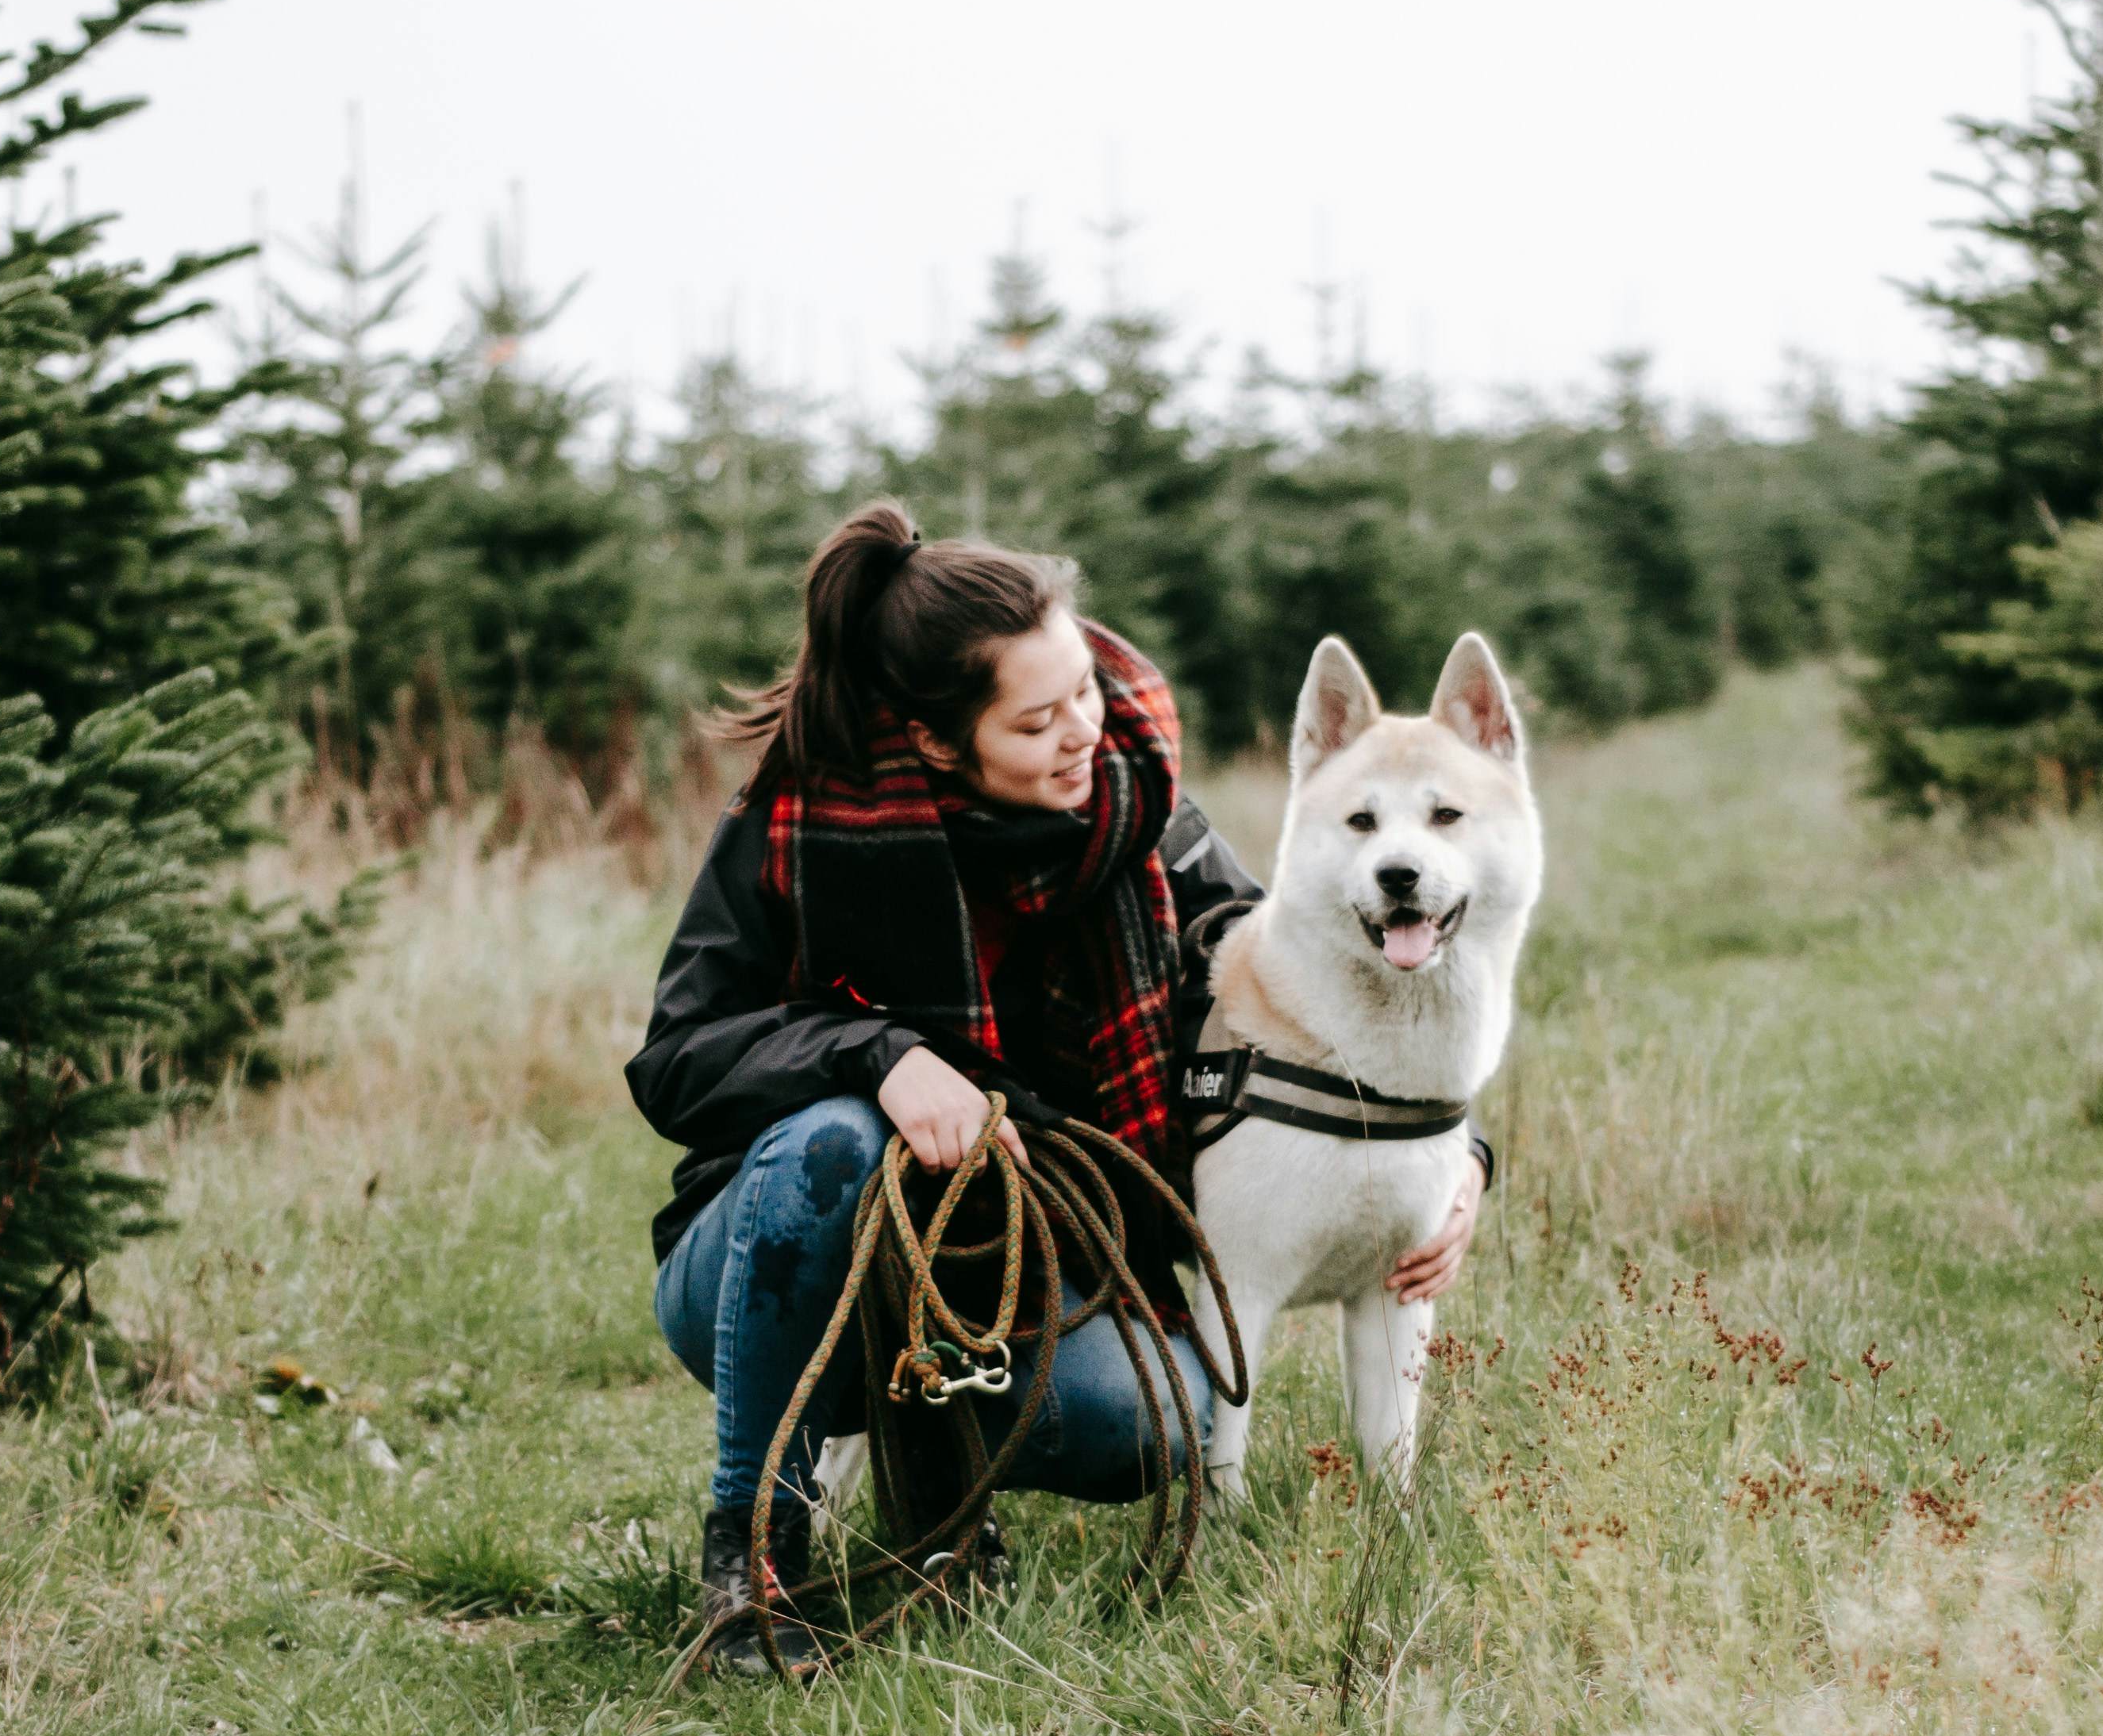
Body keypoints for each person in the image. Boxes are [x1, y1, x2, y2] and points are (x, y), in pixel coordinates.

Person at [625, 500, 1478, 1673]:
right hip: (771, 1271)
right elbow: (677, 1057)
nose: (1085, 728)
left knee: (1155, 1424)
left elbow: (1303, 996)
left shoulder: (1143, 816)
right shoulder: (804, 823)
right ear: (935, 743)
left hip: (1024, 1271)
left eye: (1083, 685)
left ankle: (939, 1498)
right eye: (1037, 721)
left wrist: (1457, 1159)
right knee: (830, 1139)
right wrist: (879, 1057)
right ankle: (753, 1560)